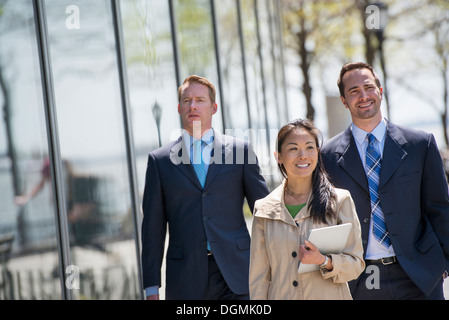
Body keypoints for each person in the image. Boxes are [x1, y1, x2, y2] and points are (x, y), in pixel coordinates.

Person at [321, 62, 449, 299]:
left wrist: (444, 264)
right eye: (354, 91)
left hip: (419, 275)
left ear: (380, 90)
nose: (363, 96)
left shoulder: (420, 145)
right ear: (343, 100)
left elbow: (440, 208)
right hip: (362, 279)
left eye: (369, 87)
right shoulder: (327, 156)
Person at [141, 75, 269, 300]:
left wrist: (276, 265)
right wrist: (151, 288)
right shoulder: (160, 161)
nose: (193, 106)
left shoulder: (240, 152)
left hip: (238, 274)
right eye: (187, 100)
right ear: (179, 108)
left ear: (214, 107)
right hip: (185, 279)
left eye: (200, 100)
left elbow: (265, 210)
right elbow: (152, 229)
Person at [249, 119, 364, 300]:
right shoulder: (264, 209)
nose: (303, 155)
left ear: (317, 153)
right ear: (278, 156)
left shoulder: (340, 201)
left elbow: (356, 265)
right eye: (293, 148)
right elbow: (259, 279)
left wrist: (323, 261)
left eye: (310, 147)